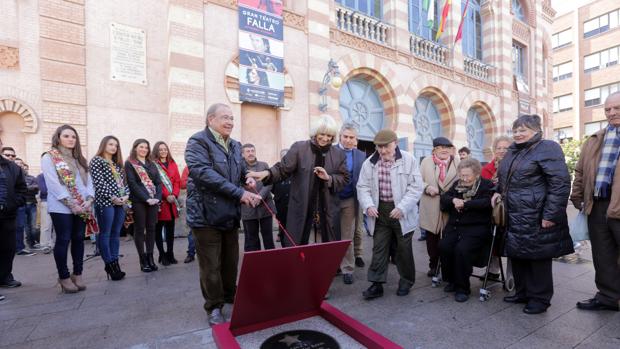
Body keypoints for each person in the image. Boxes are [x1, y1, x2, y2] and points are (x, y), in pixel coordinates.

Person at [185, 103, 261, 326]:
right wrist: (239, 193)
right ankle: (214, 306)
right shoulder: (197, 142)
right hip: (205, 215)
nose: (230, 122)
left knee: (230, 262)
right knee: (211, 265)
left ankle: (230, 295)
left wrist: (246, 177)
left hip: (229, 213)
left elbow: (239, 170)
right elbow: (203, 173)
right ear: (211, 120)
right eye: (225, 118)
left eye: (232, 118)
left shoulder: (236, 145)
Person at [494, 114, 573, 314]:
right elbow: (506, 180)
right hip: (515, 214)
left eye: (523, 130)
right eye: (515, 130)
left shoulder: (547, 148)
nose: (518, 134)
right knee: (518, 254)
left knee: (538, 258)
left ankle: (539, 299)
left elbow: (560, 184)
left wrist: (551, 215)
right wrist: (497, 193)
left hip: (536, 214)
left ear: (536, 131)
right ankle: (522, 293)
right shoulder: (513, 151)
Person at [247, 114, 349, 245]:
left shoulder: (338, 154)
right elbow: (283, 169)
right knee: (302, 250)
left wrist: (328, 178)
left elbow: (344, 178)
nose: (325, 138)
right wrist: (267, 173)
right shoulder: (299, 148)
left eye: (329, 136)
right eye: (322, 134)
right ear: (315, 132)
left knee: (326, 253)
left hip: (327, 211)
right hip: (302, 207)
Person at [357, 129, 423, 299]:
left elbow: (416, 188)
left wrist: (402, 207)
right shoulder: (369, 163)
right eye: (379, 147)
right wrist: (368, 205)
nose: (383, 150)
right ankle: (376, 284)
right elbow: (362, 187)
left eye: (386, 146)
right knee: (379, 247)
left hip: (402, 211)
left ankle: (406, 281)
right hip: (380, 211)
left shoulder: (409, 160)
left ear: (395, 143)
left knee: (403, 249)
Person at [571, 91, 620, 312]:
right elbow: (580, 172)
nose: (612, 113)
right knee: (602, 255)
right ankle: (608, 297)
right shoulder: (595, 139)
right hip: (598, 205)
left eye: (617, 108)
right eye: (608, 109)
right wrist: (578, 197)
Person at [42, 125, 96, 293]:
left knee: (79, 238)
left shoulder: (79, 159)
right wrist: (71, 203)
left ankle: (77, 274)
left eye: (73, 136)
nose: (71, 139)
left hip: (82, 205)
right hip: (61, 206)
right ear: (58, 138)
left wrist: (89, 199)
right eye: (66, 136)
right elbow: (53, 183)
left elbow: (88, 182)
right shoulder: (49, 157)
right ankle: (64, 277)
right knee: (63, 239)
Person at [439, 159, 494, 302]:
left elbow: (487, 203)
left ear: (476, 174)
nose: (464, 179)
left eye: (467, 176)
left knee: (462, 250)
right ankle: (451, 280)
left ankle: (462, 288)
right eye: (461, 175)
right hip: (456, 226)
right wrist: (453, 201)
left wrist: (466, 204)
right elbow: (445, 198)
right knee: (444, 246)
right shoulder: (457, 185)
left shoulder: (486, 185)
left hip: (476, 228)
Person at [89, 136, 129, 281]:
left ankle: (115, 262)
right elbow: (99, 183)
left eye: (116, 145)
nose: (113, 147)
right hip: (106, 202)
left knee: (115, 233)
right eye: (110, 144)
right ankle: (109, 264)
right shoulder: (97, 160)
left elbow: (124, 183)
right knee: (105, 233)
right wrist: (113, 197)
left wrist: (125, 196)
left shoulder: (117, 164)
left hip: (120, 202)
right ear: (103, 145)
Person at [419, 137, 459, 276]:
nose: (444, 150)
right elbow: (417, 180)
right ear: (434, 149)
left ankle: (448, 266)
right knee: (432, 237)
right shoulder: (426, 161)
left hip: (450, 206)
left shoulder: (457, 161)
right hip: (431, 204)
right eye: (441, 147)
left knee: (449, 237)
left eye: (447, 147)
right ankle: (434, 265)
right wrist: (427, 187)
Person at [126, 139, 162, 273]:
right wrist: (146, 198)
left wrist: (157, 198)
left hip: (153, 201)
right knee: (140, 229)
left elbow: (158, 182)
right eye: (141, 147)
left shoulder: (152, 164)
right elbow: (132, 183)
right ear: (135, 148)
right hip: (139, 201)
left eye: (146, 147)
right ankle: (143, 260)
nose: (144, 149)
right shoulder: (130, 163)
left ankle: (151, 257)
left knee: (152, 228)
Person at [337, 123, 366, 284]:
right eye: (345, 136)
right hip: (331, 200)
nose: (348, 140)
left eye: (351, 137)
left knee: (347, 234)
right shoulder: (330, 151)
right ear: (340, 136)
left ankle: (347, 268)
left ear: (356, 139)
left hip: (349, 200)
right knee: (328, 234)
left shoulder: (360, 155)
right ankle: (332, 265)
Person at [480, 135, 512, 279]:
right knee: (492, 240)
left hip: (513, 210)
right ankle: (493, 270)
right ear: (494, 150)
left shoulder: (516, 165)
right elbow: (482, 190)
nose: (502, 151)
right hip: (492, 210)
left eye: (506, 148)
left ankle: (512, 275)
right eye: (499, 148)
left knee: (512, 242)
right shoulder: (487, 169)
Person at [0, 138, 27, 293]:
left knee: (8, 247)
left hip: (7, 214)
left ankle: (5, 277)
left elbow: (22, 189)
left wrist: (14, 203)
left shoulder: (12, 167)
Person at [240, 144, 275, 251]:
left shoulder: (263, 165)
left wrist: (260, 196)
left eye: (252, 151)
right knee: (252, 239)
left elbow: (269, 182)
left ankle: (273, 262)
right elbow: (236, 185)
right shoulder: (239, 167)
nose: (250, 153)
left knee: (268, 238)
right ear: (243, 154)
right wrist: (248, 197)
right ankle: (256, 264)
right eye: (247, 151)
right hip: (248, 207)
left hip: (265, 206)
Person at [151, 141, 181, 266]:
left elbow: (177, 181)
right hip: (161, 202)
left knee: (170, 230)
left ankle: (170, 253)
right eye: (160, 149)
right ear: (156, 151)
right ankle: (162, 254)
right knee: (158, 230)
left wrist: (174, 194)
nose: (163, 151)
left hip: (171, 202)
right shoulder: (153, 165)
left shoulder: (173, 163)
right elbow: (155, 183)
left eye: (165, 149)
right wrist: (166, 195)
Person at [271, 149, 291, 247]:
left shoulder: (295, 168)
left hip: (294, 204)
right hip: (281, 203)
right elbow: (272, 188)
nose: (285, 158)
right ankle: (284, 248)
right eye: (283, 156)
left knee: (293, 228)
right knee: (283, 227)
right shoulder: (276, 169)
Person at [36, 168, 54, 253]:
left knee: (54, 226)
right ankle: (44, 245)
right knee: (46, 225)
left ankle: (51, 243)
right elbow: (43, 190)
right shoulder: (41, 176)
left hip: (57, 202)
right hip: (46, 202)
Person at [180, 166, 195, 263]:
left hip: (210, 202)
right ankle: (191, 253)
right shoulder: (188, 167)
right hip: (193, 202)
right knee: (193, 229)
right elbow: (182, 184)